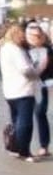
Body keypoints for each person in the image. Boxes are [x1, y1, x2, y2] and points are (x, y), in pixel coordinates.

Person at [0, 22, 41, 161]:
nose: (23, 36)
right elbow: (25, 69)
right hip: (23, 89)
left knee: (17, 120)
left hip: (10, 90)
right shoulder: (15, 50)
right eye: (21, 33)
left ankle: (15, 146)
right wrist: (36, 72)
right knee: (25, 123)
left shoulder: (4, 48)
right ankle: (23, 150)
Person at [28, 22, 51, 157]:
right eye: (33, 35)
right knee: (25, 116)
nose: (36, 38)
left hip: (42, 85)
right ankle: (23, 144)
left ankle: (44, 145)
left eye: (38, 35)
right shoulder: (24, 50)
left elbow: (50, 70)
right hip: (25, 86)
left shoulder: (48, 50)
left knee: (40, 113)